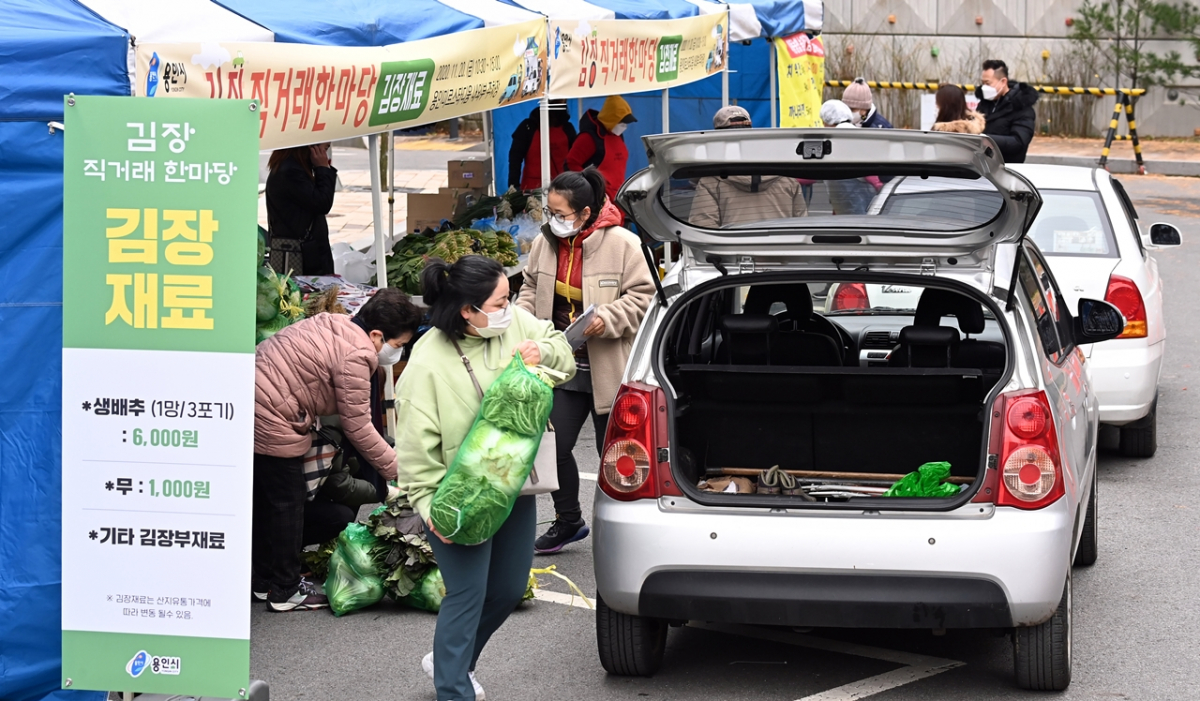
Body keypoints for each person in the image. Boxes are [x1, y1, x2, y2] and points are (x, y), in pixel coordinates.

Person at [395, 255, 576, 701]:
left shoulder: (515, 324)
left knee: (510, 588)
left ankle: (452, 661)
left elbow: (564, 354)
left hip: (515, 484)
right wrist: (427, 504)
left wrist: (543, 352)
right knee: (467, 593)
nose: (509, 307)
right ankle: (453, 688)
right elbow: (415, 448)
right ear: (468, 311)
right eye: (500, 301)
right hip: (458, 497)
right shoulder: (426, 362)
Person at [252, 287, 422, 611]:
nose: (395, 353)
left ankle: (264, 580)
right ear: (376, 334)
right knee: (287, 503)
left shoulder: (334, 324)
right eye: (397, 345)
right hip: (272, 415)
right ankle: (285, 591)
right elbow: (359, 427)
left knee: (268, 501)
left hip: (256, 400)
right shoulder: (358, 354)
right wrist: (400, 471)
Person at [516, 168, 655, 554]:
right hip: (562, 364)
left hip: (610, 366)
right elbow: (529, 287)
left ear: (585, 212)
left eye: (560, 213)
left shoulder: (624, 244)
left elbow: (644, 298)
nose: (553, 219)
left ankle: (631, 530)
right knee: (553, 447)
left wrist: (605, 319)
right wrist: (522, 321)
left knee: (617, 454)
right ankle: (568, 521)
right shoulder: (546, 243)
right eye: (550, 211)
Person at [691, 106, 807, 228]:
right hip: (780, 246)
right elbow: (802, 227)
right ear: (750, 133)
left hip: (732, 247)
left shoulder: (710, 182)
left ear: (718, 136)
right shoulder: (787, 179)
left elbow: (703, 229)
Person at [266, 143, 337, 275]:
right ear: (311, 147)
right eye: (325, 149)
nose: (325, 154)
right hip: (301, 255)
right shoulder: (291, 172)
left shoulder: (290, 167)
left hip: (302, 251)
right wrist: (323, 169)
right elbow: (322, 202)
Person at [566, 95, 637, 201]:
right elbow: (570, 163)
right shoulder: (588, 138)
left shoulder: (617, 135)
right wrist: (591, 186)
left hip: (618, 197)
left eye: (625, 123)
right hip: (598, 201)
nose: (624, 126)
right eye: (621, 122)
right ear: (611, 119)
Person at [819, 100, 882, 215]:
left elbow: (866, 168)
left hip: (855, 202)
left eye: (824, 122)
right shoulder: (854, 134)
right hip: (855, 203)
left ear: (829, 120)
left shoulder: (837, 138)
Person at [975, 59, 1039, 163]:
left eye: (988, 83)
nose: (984, 87)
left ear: (1003, 81)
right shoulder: (984, 104)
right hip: (982, 166)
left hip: (1007, 167)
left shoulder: (1021, 106)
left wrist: (985, 139)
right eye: (982, 83)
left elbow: (1019, 142)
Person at [508, 99, 577, 191]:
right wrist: (514, 186)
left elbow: (574, 161)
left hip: (562, 188)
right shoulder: (528, 127)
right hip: (532, 190)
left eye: (563, 102)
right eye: (560, 102)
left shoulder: (568, 128)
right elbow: (515, 159)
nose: (562, 104)